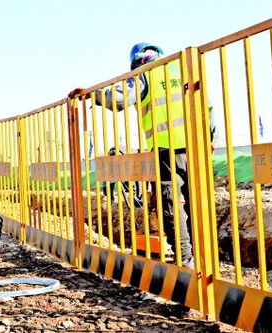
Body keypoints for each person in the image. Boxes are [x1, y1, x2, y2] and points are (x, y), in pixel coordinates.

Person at [70, 43, 216, 269]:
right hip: (197, 145)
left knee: (171, 205)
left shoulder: (146, 74)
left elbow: (119, 99)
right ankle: (207, 258)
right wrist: (210, 139)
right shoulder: (184, 68)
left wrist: (93, 94)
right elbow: (208, 107)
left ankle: (185, 259)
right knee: (197, 202)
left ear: (136, 62)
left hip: (167, 148)